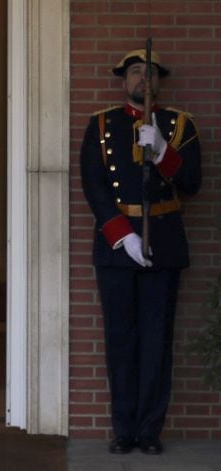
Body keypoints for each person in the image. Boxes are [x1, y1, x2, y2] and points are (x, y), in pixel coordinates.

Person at [80, 49, 202, 455]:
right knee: (121, 341)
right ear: (123, 81)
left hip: (163, 243)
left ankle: (149, 430)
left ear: (158, 81)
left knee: (156, 341)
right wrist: (123, 235)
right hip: (117, 247)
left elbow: (192, 182)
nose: (142, 79)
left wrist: (164, 150)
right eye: (134, 72)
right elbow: (94, 189)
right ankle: (123, 430)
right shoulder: (100, 125)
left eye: (148, 72)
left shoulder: (179, 125)